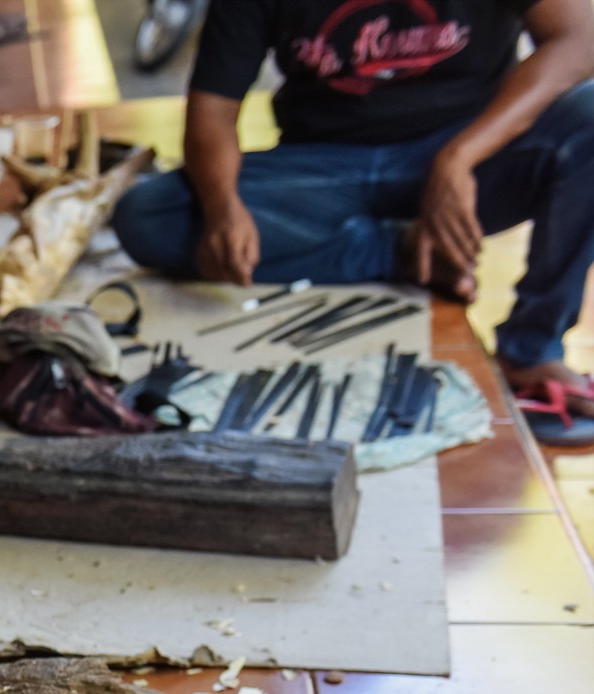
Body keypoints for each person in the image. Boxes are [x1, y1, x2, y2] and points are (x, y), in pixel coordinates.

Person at [111, 0, 594, 445]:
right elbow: (213, 107)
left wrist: (458, 158)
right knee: (150, 216)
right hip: (326, 169)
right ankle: (398, 251)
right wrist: (223, 208)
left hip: (467, 165)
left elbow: (582, 36)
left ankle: (533, 350)